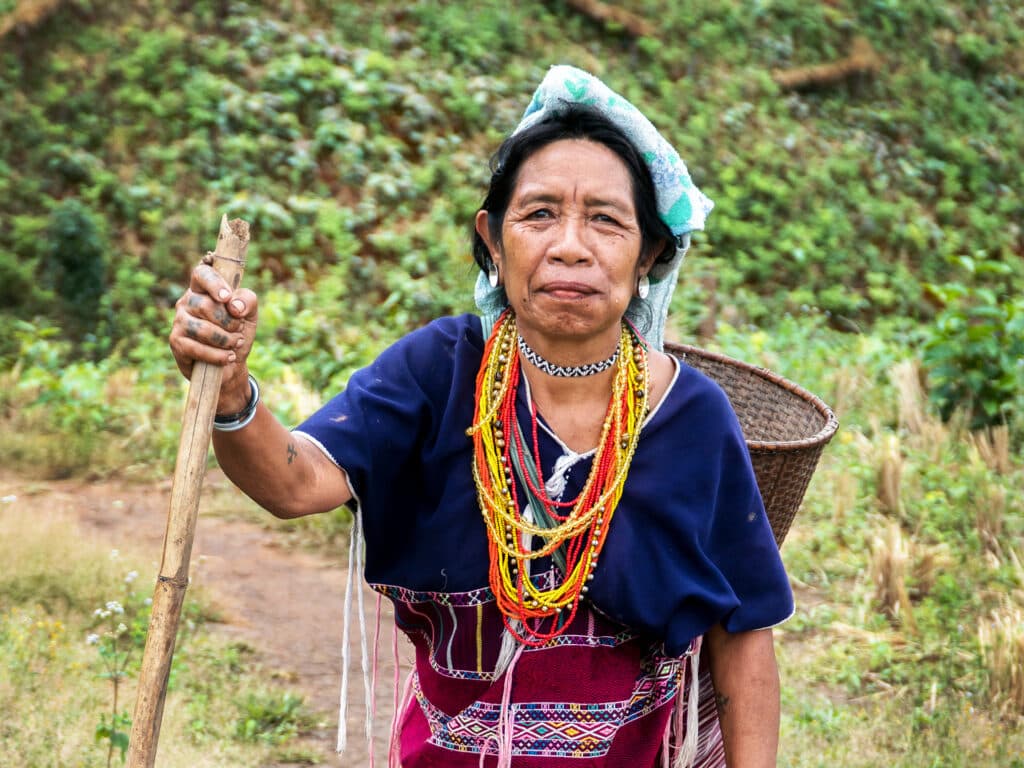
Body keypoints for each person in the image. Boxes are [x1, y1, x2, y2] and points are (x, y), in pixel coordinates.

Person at [169, 65, 793, 768]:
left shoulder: (693, 417)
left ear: (648, 254)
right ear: (493, 240)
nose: (570, 245)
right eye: (539, 213)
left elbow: (742, 635)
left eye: (606, 220)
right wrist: (230, 393)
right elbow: (294, 482)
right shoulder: (439, 371)